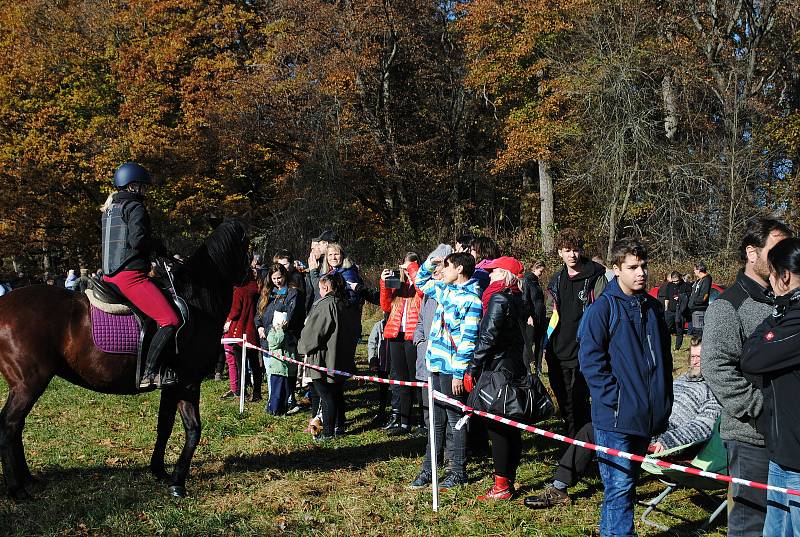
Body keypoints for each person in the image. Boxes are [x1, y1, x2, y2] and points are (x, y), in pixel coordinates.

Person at [525, 336, 720, 509]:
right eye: (693, 357)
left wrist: (668, 440)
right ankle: (559, 487)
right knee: (592, 428)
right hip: (641, 420)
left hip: (661, 436)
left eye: (700, 358)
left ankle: (617, 498)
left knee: (606, 434)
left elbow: (702, 426)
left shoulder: (713, 391)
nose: (695, 362)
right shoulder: (679, 380)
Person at [576, 237, 673, 537]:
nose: (641, 272)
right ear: (617, 269)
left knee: (623, 488)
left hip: (646, 416)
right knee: (619, 487)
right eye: (632, 267)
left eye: (643, 266)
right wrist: (613, 399)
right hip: (615, 419)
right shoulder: (602, 310)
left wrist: (663, 401)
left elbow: (664, 360)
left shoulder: (654, 308)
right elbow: (590, 361)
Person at [703, 217, 792, 537]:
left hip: (789, 437)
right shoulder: (729, 306)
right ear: (752, 253)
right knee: (750, 523)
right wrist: (762, 407)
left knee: (784, 522)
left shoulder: (786, 300)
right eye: (776, 249)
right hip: (750, 437)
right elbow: (716, 367)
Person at [100, 162, 180, 389]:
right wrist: (159, 246)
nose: (145, 192)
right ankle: (150, 373)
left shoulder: (110, 209)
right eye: (143, 187)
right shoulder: (135, 207)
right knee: (170, 320)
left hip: (109, 277)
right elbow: (138, 241)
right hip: (130, 277)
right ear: (133, 186)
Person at [741, 237, 800, 536]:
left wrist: (777, 311)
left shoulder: (796, 320)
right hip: (782, 451)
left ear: (785, 276)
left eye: (772, 276)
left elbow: (751, 358)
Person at [409, 251, 482, 490]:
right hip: (436, 365)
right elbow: (420, 282)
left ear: (459, 269)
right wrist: (430, 264)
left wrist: (460, 373)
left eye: (447, 267)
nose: (444, 272)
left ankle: (458, 471)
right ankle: (429, 469)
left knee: (456, 420)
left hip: (453, 371)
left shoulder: (472, 301)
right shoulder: (445, 290)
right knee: (435, 420)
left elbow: (469, 340)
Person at [463, 256, 529, 500]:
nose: (489, 275)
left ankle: (501, 486)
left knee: (497, 426)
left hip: (498, 368)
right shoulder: (519, 298)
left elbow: (487, 338)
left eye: (494, 272)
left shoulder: (498, 298)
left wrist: (472, 367)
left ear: (504, 274)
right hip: (516, 365)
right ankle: (508, 479)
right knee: (512, 426)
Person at [544, 228, 607, 438]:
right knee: (563, 400)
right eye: (567, 250)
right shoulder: (557, 279)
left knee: (578, 401)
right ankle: (572, 440)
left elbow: (603, 311)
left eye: (576, 250)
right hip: (557, 349)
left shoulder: (595, 277)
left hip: (584, 349)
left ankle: (580, 446)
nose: (572, 254)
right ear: (560, 253)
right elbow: (550, 311)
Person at [297, 273, 360, 440]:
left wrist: (302, 347)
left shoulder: (326, 305)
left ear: (325, 287)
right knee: (337, 392)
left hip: (324, 358)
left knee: (327, 395)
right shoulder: (347, 304)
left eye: (320, 288)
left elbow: (314, 333)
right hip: (342, 358)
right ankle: (340, 426)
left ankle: (328, 433)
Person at [379, 252, 423, 436]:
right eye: (404, 265)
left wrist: (414, 272)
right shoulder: (400, 285)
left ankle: (424, 423)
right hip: (396, 334)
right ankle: (404, 422)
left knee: (417, 381)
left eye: (410, 265)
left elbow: (421, 293)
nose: (405, 268)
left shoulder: (422, 284)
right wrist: (384, 284)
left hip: (413, 335)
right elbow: (386, 306)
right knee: (402, 381)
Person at [255, 264, 302, 405]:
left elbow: (291, 315)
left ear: (285, 276)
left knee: (284, 372)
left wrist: (274, 330)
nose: (277, 281)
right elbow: (258, 314)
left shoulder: (293, 293)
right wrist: (260, 327)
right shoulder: (267, 293)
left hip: (284, 341)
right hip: (266, 341)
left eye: (279, 277)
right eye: (274, 278)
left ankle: (288, 400)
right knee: (270, 371)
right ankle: (273, 401)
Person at [221, 267, 260, 400]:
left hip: (240, 331)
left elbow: (235, 310)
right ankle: (257, 392)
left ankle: (243, 391)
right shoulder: (257, 287)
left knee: (240, 364)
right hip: (253, 330)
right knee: (255, 364)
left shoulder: (240, 290)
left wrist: (228, 320)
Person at [522, 260, 546, 370]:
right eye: (540, 271)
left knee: (540, 343)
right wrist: (528, 315)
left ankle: (538, 367)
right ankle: (526, 367)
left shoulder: (536, 281)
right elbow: (525, 299)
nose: (542, 273)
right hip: (532, 316)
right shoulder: (527, 280)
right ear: (535, 268)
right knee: (529, 343)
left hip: (540, 315)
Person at [687, 261, 712, 334]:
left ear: (699, 269)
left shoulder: (707, 279)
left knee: (699, 331)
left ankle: (701, 345)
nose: (694, 271)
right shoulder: (699, 280)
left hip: (700, 309)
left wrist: (695, 302)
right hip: (694, 310)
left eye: (694, 269)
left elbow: (704, 295)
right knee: (696, 330)